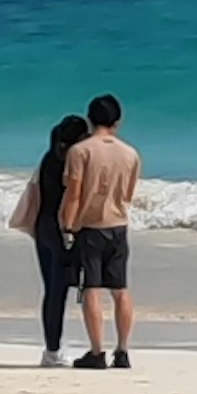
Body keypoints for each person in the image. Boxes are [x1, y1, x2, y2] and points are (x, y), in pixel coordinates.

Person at [60, 91, 142, 364]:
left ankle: (97, 351)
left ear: (90, 119)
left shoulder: (80, 151)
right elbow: (129, 194)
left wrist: (67, 226)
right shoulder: (130, 154)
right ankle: (123, 350)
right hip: (118, 225)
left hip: (90, 226)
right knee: (120, 289)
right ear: (117, 121)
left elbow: (73, 193)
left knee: (92, 288)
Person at [7, 112, 85, 363]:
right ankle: (57, 348)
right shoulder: (72, 163)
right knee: (65, 288)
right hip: (62, 227)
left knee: (53, 289)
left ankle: (52, 347)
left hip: (44, 227)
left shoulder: (49, 158)